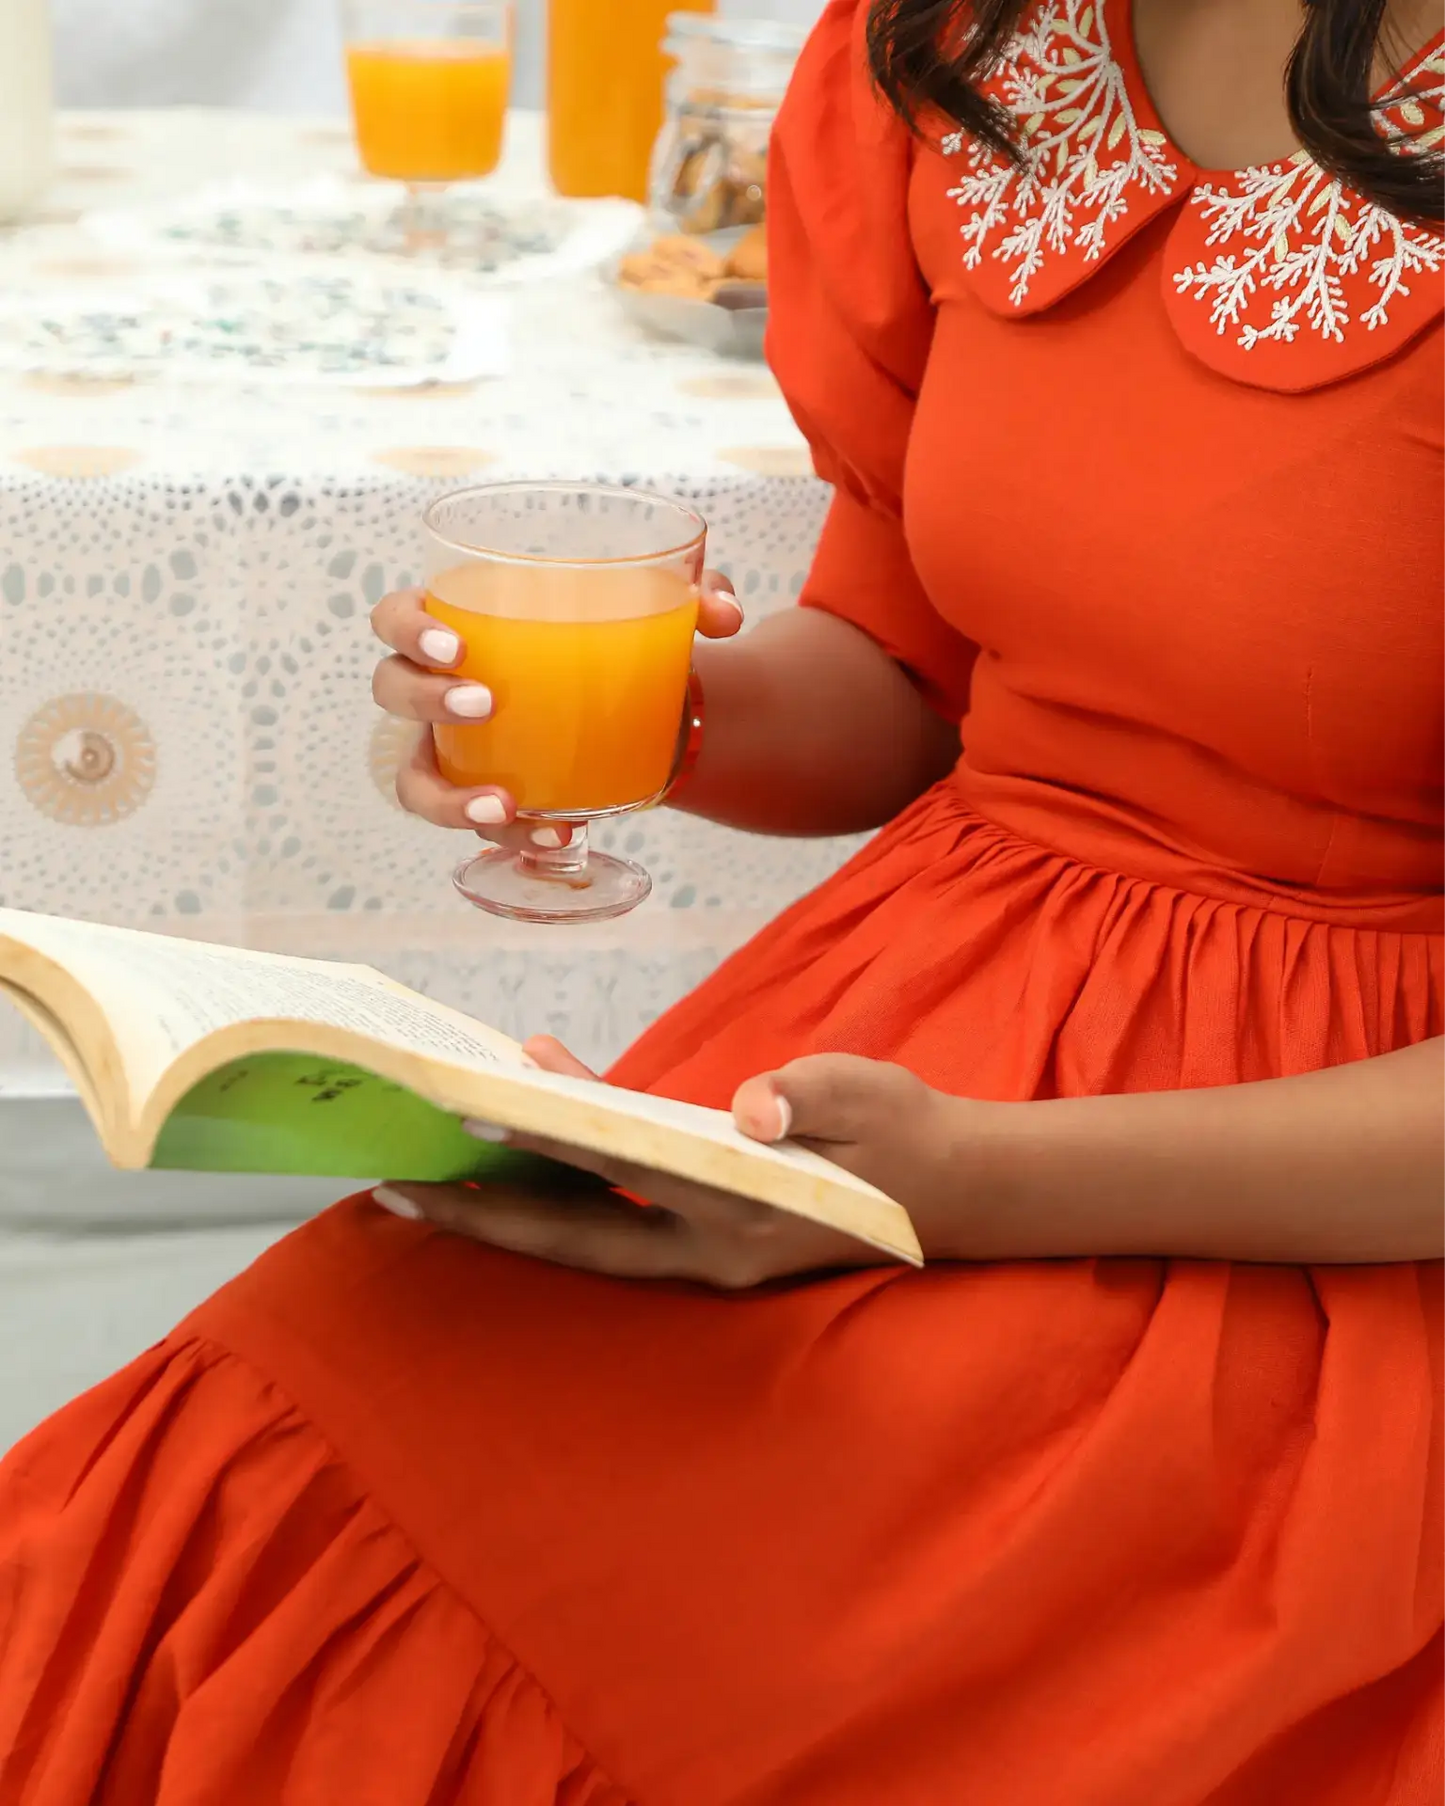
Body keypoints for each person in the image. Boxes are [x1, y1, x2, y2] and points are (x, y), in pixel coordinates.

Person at [6, 0, 1445, 1795]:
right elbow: (911, 678)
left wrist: (972, 1185)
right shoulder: (961, 43)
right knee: (254, 1454)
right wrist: (639, 719)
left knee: (711, 1625)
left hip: (1315, 1220)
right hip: (895, 1065)